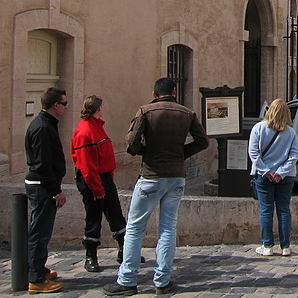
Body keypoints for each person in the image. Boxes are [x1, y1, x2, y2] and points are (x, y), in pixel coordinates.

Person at [103, 78, 208, 296]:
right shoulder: (187, 113)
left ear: (154, 93)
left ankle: (128, 280)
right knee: (168, 227)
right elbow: (202, 141)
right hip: (176, 176)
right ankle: (162, 280)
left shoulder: (146, 111)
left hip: (151, 174)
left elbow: (131, 141)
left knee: (134, 228)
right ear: (174, 91)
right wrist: (181, 155)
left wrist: (144, 153)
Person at [70, 95, 130, 272]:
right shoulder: (85, 131)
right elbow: (87, 165)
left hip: (104, 177)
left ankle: (124, 251)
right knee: (93, 217)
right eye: (102, 106)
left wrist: (108, 177)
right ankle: (91, 256)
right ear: (98, 108)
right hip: (92, 179)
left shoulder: (97, 127)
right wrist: (97, 188)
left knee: (115, 213)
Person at [25, 87, 68, 294]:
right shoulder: (42, 127)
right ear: (56, 105)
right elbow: (42, 165)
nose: (66, 108)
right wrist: (55, 191)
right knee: (39, 233)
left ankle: (38, 269)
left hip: (43, 185)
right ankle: (35, 278)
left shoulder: (46, 124)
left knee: (41, 231)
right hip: (41, 187)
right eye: (65, 104)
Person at [248, 98, 298, 257]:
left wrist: (266, 171)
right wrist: (281, 172)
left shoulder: (258, 128)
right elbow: (294, 155)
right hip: (286, 177)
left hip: (264, 176)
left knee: (266, 210)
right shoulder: (290, 132)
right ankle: (285, 247)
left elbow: (253, 153)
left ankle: (267, 245)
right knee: (284, 210)